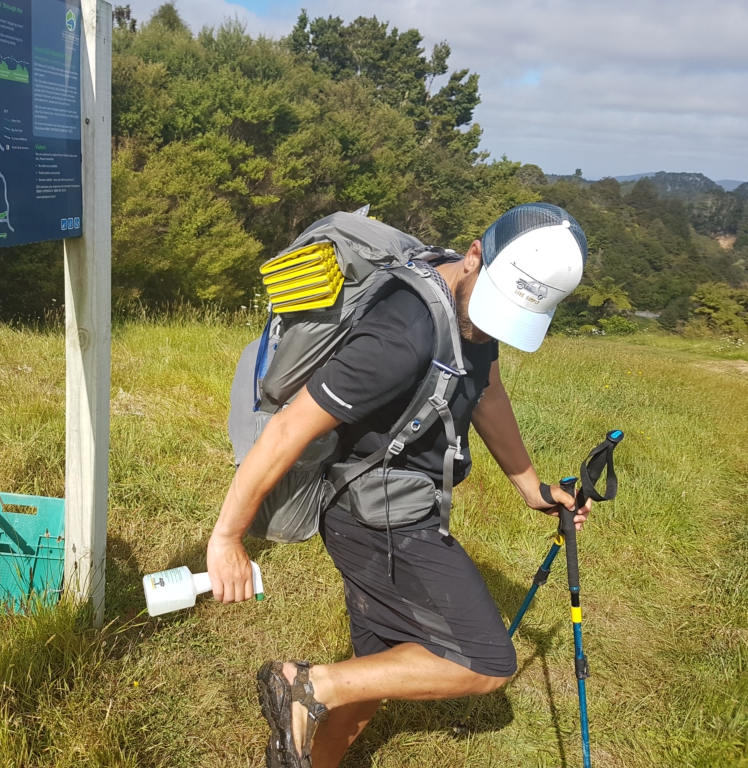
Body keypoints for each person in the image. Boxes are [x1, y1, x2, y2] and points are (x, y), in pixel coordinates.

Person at [206, 203, 592, 768]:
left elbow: (485, 388)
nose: (488, 328)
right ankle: (306, 687)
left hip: (393, 505)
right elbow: (290, 430)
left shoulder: (466, 300)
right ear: (475, 255)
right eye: (491, 309)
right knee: (484, 663)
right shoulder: (401, 336)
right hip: (378, 518)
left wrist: (531, 488)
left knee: (376, 671)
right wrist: (226, 538)